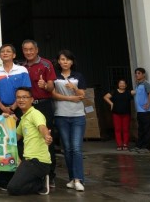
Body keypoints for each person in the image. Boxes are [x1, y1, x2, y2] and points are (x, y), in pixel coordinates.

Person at [22, 39, 57, 187]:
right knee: (27, 139)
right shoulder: (21, 67)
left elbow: (51, 86)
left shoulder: (46, 64)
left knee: (46, 138)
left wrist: (45, 85)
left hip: (43, 105)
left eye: (31, 49)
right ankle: (30, 173)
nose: (28, 52)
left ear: (37, 50)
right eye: (26, 49)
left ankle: (51, 175)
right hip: (26, 108)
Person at [6, 87, 53, 196]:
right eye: (18, 97)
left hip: (38, 162)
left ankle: (40, 185)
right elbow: (13, 138)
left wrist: (46, 135)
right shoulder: (23, 118)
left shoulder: (35, 114)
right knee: (7, 184)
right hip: (28, 161)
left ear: (31, 99)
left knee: (13, 188)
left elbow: (41, 126)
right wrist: (7, 121)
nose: (21, 100)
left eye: (24, 97)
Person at [52, 49, 87, 192]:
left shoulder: (78, 76)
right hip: (61, 115)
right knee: (67, 149)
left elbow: (82, 95)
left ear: (72, 62)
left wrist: (75, 88)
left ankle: (78, 179)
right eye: (62, 59)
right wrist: (70, 98)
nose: (64, 62)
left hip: (78, 115)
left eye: (67, 59)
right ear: (58, 62)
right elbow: (53, 94)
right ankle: (72, 179)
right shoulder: (55, 76)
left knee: (76, 148)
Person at [0, 44, 31, 116]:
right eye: (2, 51)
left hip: (20, 107)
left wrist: (13, 107)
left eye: (8, 51)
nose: (5, 53)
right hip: (0, 109)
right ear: (0, 55)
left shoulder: (22, 70)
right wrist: (3, 108)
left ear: (14, 55)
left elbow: (26, 90)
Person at [104, 78, 134, 150]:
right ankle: (119, 145)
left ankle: (125, 144)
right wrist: (111, 103)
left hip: (126, 114)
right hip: (116, 114)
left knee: (125, 129)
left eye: (123, 83)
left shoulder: (129, 92)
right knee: (117, 129)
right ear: (118, 84)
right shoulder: (114, 92)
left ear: (126, 85)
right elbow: (105, 97)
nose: (122, 85)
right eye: (120, 83)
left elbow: (138, 91)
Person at [132, 67, 150, 153]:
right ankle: (139, 146)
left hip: (147, 111)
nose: (137, 75)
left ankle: (146, 148)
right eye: (136, 74)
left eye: (139, 73)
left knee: (147, 130)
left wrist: (148, 103)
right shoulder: (137, 85)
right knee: (141, 129)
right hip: (140, 111)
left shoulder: (146, 84)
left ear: (143, 74)